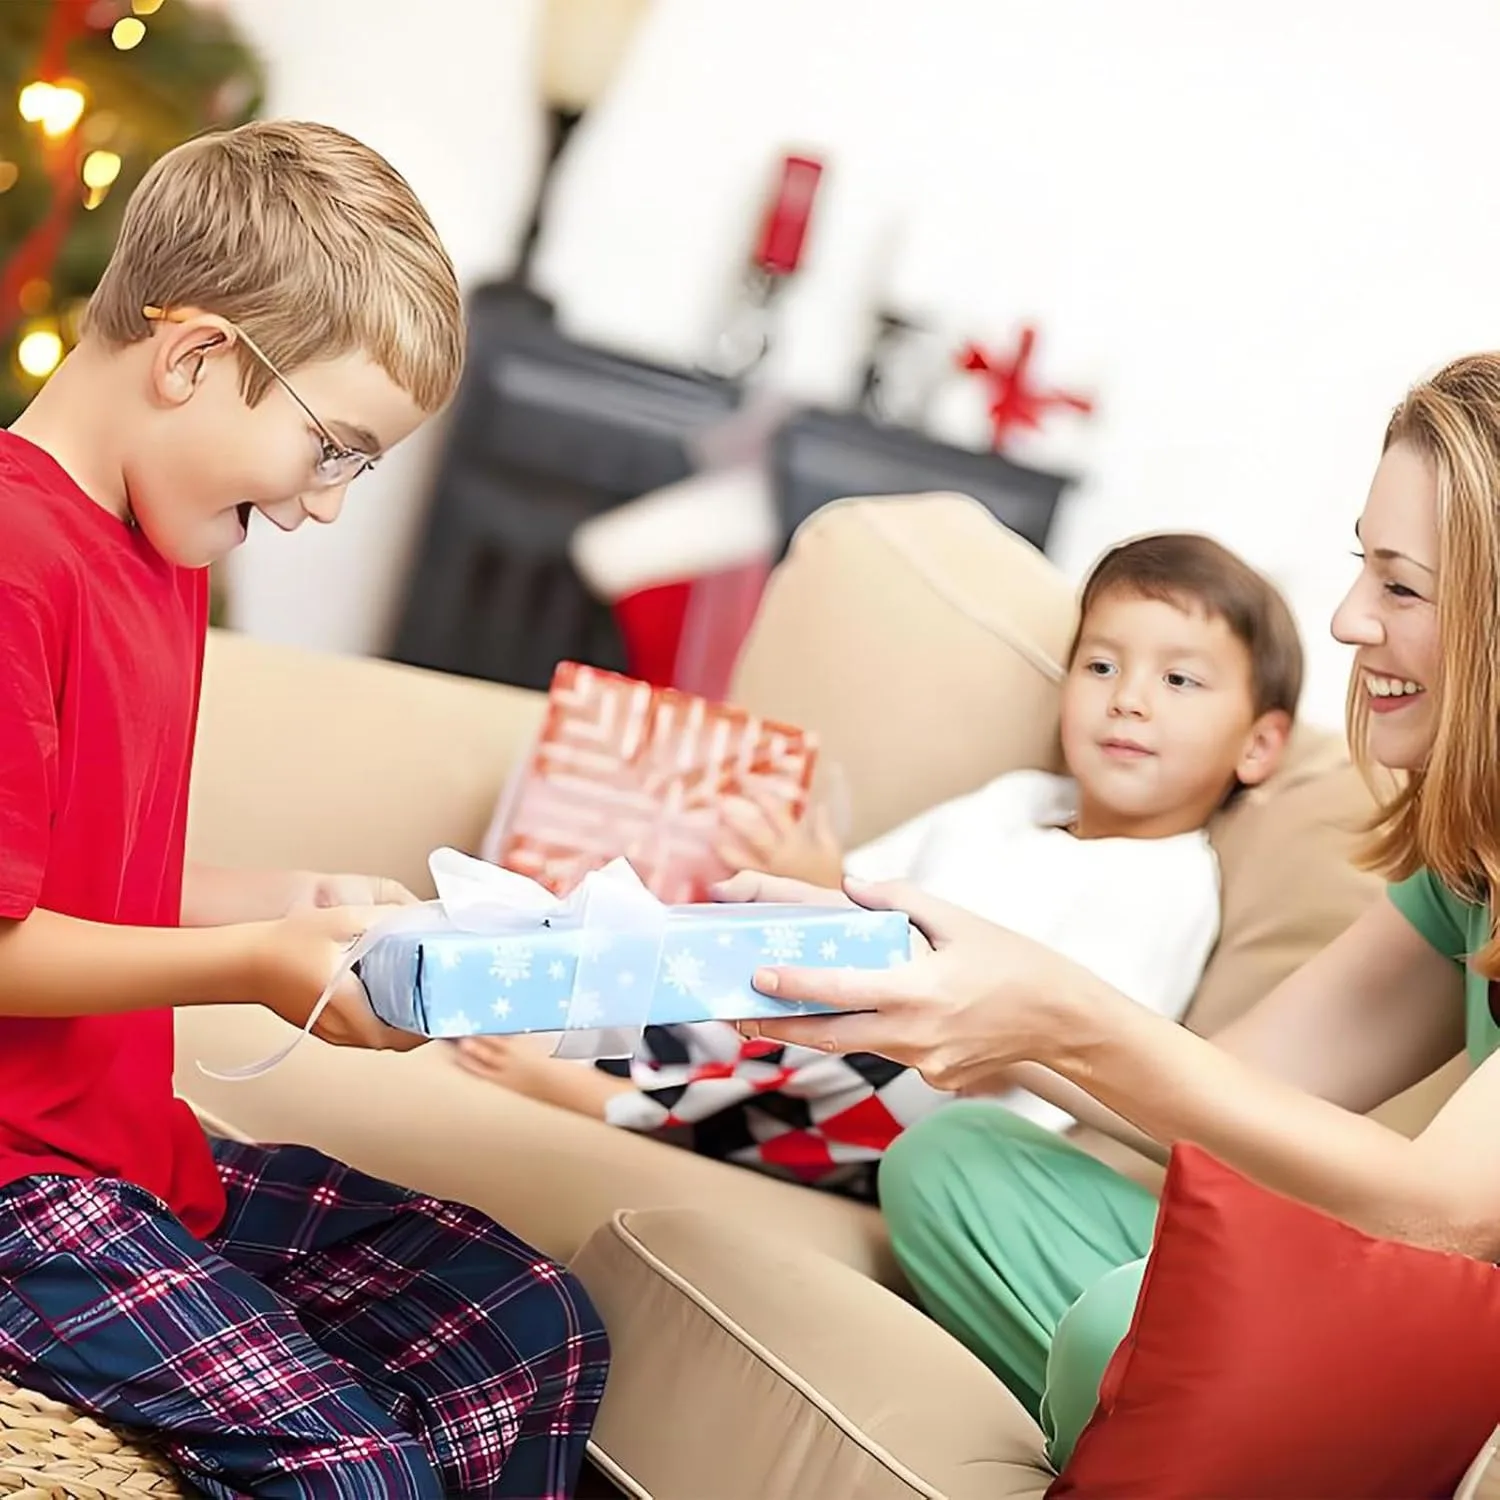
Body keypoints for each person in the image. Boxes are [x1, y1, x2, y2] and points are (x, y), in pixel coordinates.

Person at [721, 351, 1500, 1472]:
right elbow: (1236, 1098)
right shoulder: (1466, 871)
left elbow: (1446, 1211)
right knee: (961, 1166)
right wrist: (926, 985)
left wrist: (1057, 1012)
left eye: (1401, 585)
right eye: (1359, 570)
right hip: (1421, 1321)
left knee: (1116, 1330)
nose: (1346, 621)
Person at [0, 121, 608, 1500]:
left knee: (531, 1330)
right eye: (331, 450)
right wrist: (253, 969)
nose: (327, 508)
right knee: (358, 1468)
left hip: (113, 1154)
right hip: (14, 1190)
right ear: (198, 356)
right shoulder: (14, 557)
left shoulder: (159, 541)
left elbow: (69, 878)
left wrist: (285, 903)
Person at [456, 534, 1299, 1199]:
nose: (1129, 698)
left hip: (941, 1096)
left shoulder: (1167, 883)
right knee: (738, 955)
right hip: (839, 1025)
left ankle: (625, 1103)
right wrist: (810, 875)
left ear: (1259, 745)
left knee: (876, 1052)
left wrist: (910, 1001)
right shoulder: (1010, 805)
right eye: (1103, 665)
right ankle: (556, 999)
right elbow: (851, 896)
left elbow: (1086, 1048)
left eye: (1180, 680)